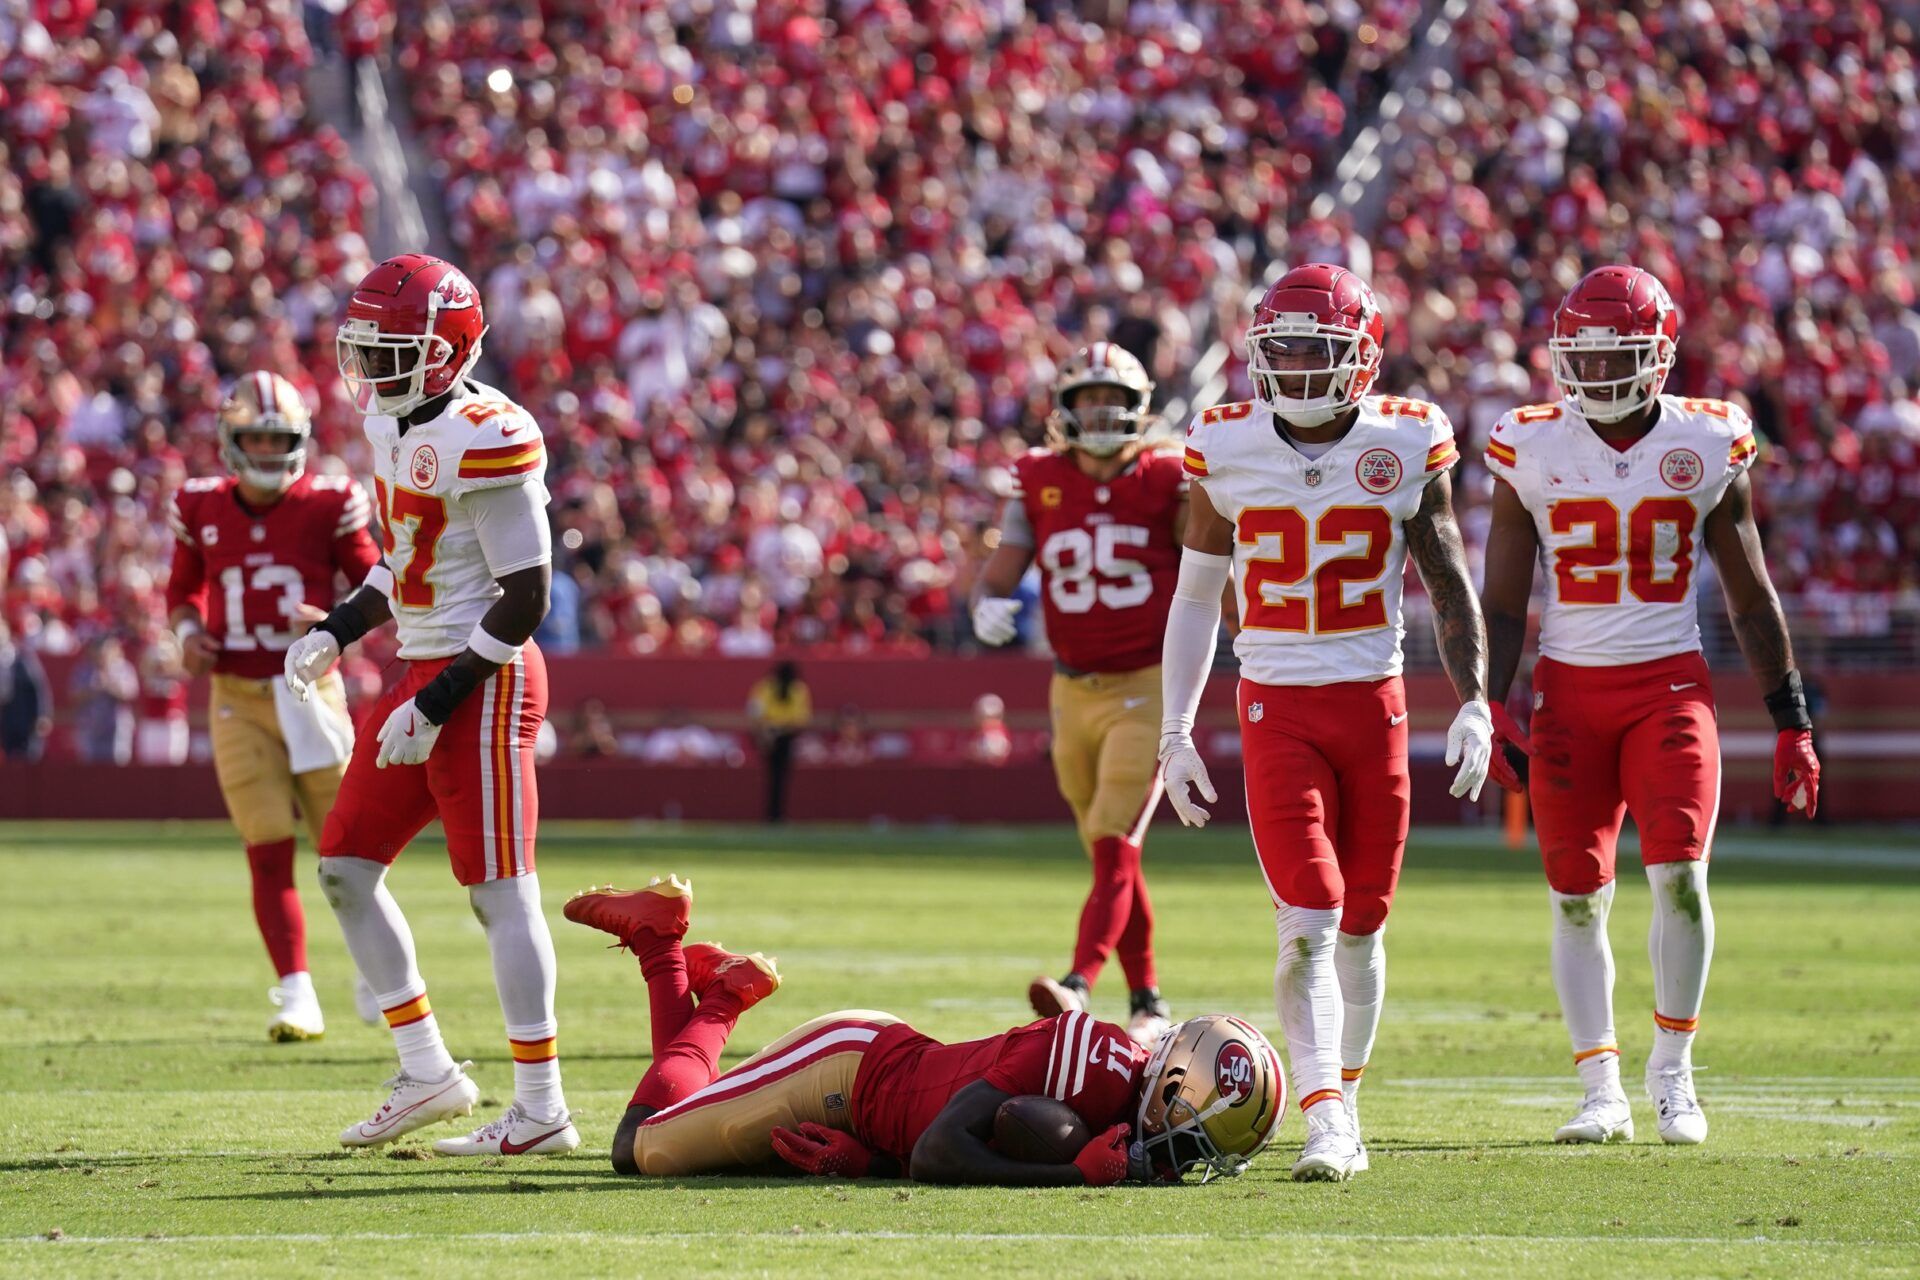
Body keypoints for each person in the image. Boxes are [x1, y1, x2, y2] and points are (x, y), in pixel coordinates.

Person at [1158, 263, 1497, 1182]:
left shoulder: (1407, 436)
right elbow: (1195, 597)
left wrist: (1475, 700)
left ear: (1364, 357)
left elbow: (1446, 580)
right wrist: (1175, 730)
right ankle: (1325, 1118)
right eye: (1285, 349)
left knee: (1366, 925)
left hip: (1374, 704)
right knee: (1309, 916)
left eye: (1320, 349)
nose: (1300, 367)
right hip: (1276, 707)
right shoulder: (1226, 443)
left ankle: (1340, 1094)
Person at [1478, 265, 1823, 1148]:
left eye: (1616, 357)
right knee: (1576, 898)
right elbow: (1505, 603)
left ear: (1659, 356)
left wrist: (1791, 720)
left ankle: (1673, 1074)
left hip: (1668, 685)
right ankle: (1600, 1086)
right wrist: (1488, 702)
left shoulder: (1707, 443)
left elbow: (1749, 593)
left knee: (1681, 875)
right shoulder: (1530, 445)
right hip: (1568, 694)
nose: (1595, 377)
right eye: (1581, 360)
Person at [283, 253, 574, 1157]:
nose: (368, 369)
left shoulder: (489, 434)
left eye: (388, 351)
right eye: (361, 349)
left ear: (445, 351)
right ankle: (426, 1071)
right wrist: (340, 628)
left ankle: (540, 1107)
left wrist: (438, 701)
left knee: (499, 893)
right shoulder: (394, 423)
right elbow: (404, 563)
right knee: (344, 867)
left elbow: (525, 601)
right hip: (423, 670)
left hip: (480, 680)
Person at [564, 878, 1284, 1185]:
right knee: (639, 1149)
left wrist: (868, 1163)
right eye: (1194, 1139)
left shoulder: (1121, 1096)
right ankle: (716, 990)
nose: (1186, 1160)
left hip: (875, 1113)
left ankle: (664, 941)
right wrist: (1074, 1174)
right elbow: (942, 1147)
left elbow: (929, 1149)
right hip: (847, 1069)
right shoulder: (1092, 1064)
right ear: (1172, 1087)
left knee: (696, 1119)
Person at [971, 344, 1185, 1045]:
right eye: (1088, 399)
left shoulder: (1168, 476)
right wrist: (986, 602)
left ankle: (1078, 983)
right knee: (1110, 854)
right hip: (1070, 689)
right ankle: (1149, 1001)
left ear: (1138, 407)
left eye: (1113, 400)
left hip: (1148, 684)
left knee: (1115, 839)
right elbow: (1001, 568)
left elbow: (1209, 569)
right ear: (1065, 409)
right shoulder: (1038, 477)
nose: (1101, 413)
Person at [164, 370, 383, 1039]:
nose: (265, 451)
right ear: (231, 441)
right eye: (253, 438)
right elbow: (182, 592)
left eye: (277, 438)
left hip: (309, 689)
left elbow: (375, 583)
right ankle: (296, 992)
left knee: (348, 850)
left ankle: (377, 971)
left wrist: (333, 622)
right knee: (265, 846)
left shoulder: (330, 499)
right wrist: (188, 634)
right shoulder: (200, 503)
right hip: (235, 694)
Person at [746, 660, 811, 822]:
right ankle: (776, 814)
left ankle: (774, 814)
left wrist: (768, 730)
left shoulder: (766, 687)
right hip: (778, 736)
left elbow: (754, 712)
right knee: (779, 777)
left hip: (774, 735)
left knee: (775, 777)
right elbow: (800, 719)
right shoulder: (797, 689)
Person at [0, 620, 53, 762]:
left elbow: (38, 687)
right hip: (5, 719)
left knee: (27, 758)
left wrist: (43, 714)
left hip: (23, 717)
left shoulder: (22, 656)